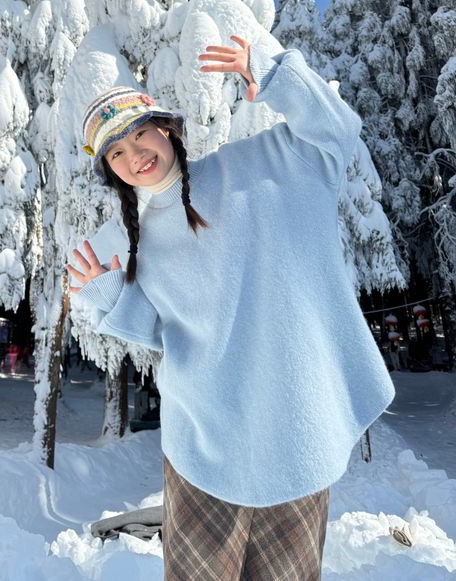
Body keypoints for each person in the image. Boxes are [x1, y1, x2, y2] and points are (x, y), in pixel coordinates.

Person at [68, 36, 395, 580]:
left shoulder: (265, 163)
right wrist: (111, 299)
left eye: (140, 134)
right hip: (204, 443)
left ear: (166, 128)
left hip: (295, 427)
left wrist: (273, 75)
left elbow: (336, 132)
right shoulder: (142, 238)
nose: (135, 156)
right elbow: (165, 332)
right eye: (117, 153)